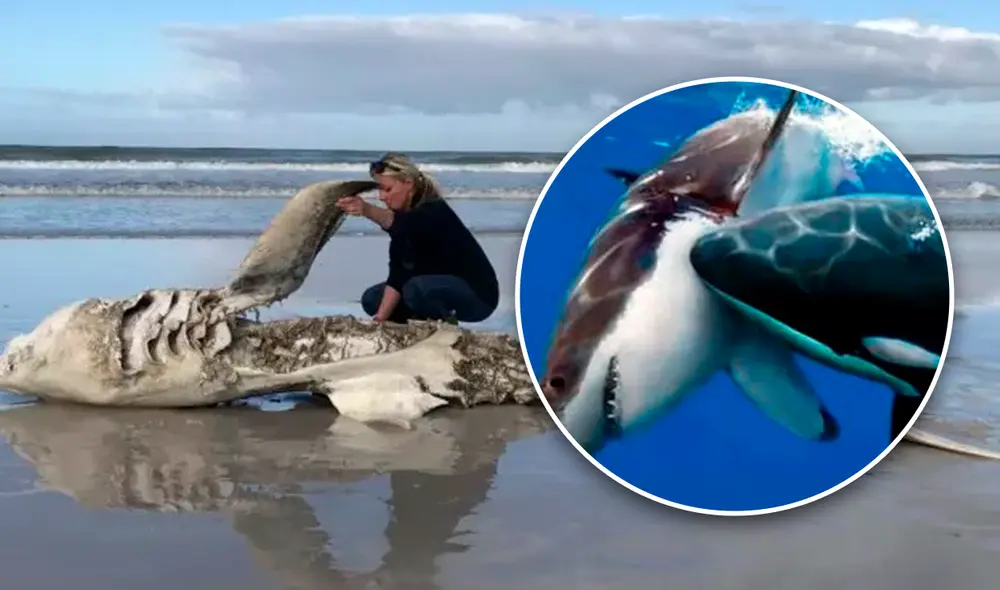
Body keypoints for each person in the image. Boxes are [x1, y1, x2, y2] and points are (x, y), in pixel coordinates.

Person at [336, 152, 500, 325]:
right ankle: (416, 322)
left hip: (478, 297)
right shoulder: (403, 220)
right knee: (373, 299)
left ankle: (445, 326)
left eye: (388, 189)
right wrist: (379, 320)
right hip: (429, 288)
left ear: (408, 183)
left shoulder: (432, 210)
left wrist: (366, 209)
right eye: (379, 189)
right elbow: (398, 275)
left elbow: (397, 222)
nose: (382, 197)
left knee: (416, 289)